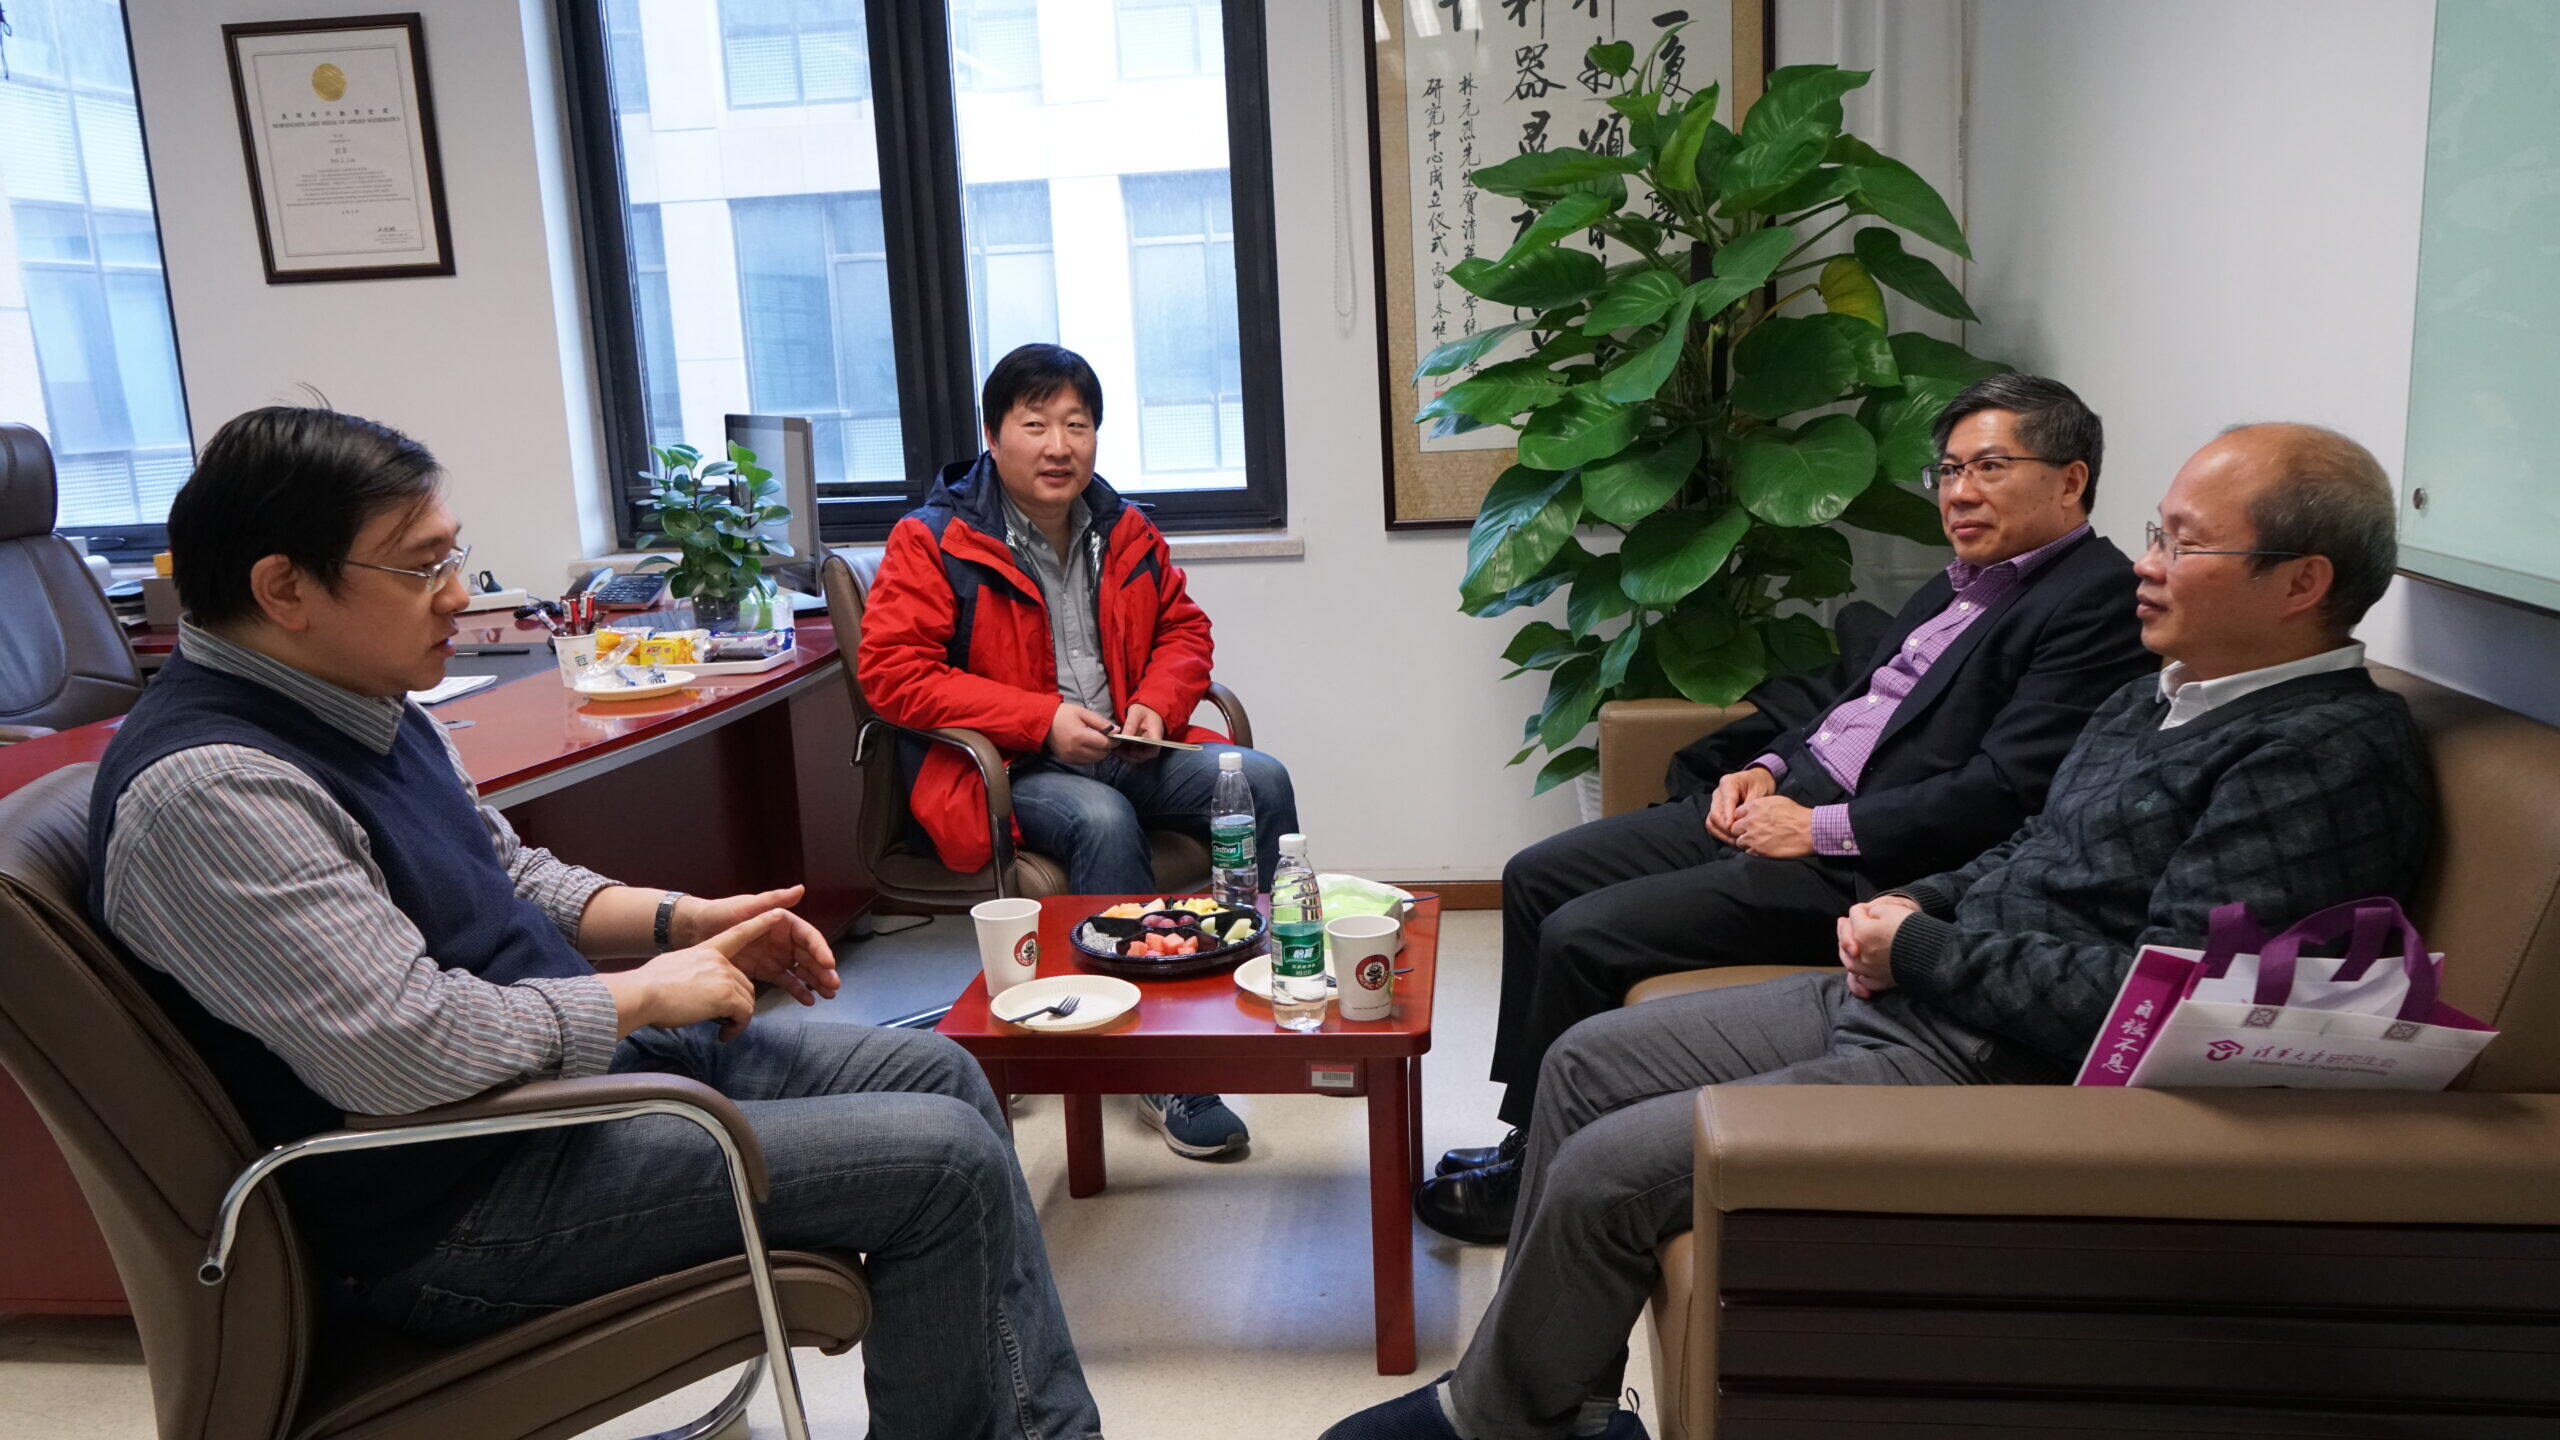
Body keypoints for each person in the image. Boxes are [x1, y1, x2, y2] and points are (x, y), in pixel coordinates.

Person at [1324, 422, 2436, 1440]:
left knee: (1610, 1172)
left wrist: (1921, 947)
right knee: (1583, 1062)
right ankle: (1552, 1407)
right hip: (1922, 989)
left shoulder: (2318, 758)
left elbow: (2170, 1001)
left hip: (2003, 1065)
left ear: (2302, 582)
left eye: (2184, 545)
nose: (2148, 565)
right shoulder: (2164, 693)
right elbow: (2029, 845)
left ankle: (1493, 1423)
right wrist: (1918, 908)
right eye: (2156, 533)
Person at [91, 408, 1102, 1440]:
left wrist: (681, 922)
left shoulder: (354, 701)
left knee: (943, 1075)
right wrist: (646, 995)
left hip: (556, 1100)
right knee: (942, 1162)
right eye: (420, 567)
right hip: (458, 1204)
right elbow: (405, 1048)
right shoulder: (215, 790)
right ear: (283, 589)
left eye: (452, 557)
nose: (459, 595)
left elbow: (508, 873)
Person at [1423, 374, 2156, 1242]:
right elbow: (1853, 698)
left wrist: (1816, 829)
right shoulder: (1963, 584)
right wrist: (1765, 766)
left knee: (1584, 933)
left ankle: (1531, 1187)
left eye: (1990, 467)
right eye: (1950, 470)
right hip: (1793, 798)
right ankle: (1529, 1135)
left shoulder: (2094, 601)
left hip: (1866, 861)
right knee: (1538, 875)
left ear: (2071, 480)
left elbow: (2004, 792)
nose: (1959, 493)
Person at [858, 342, 1298, 1161]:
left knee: (1261, 780)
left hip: (1125, 744)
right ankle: (1152, 1066)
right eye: (1035, 425)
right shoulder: (934, 540)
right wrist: (1040, 719)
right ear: (993, 436)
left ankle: (1265, 985)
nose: (1058, 446)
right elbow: (894, 675)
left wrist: (1158, 703)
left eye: (1076, 424)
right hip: (1010, 768)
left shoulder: (1122, 527)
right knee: (1100, 818)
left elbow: (1183, 631)